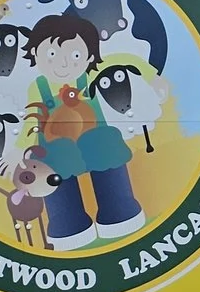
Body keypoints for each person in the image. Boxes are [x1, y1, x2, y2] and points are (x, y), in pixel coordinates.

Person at [22, 13, 143, 249]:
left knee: (107, 148)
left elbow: (126, 59)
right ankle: (67, 225)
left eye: (75, 55)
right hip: (55, 144)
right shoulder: (38, 88)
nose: (64, 64)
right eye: (52, 55)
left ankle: (119, 210)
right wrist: (21, 151)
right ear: (35, 53)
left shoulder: (89, 78)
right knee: (52, 169)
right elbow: (30, 120)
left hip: (93, 139)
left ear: (89, 56)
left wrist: (151, 76)